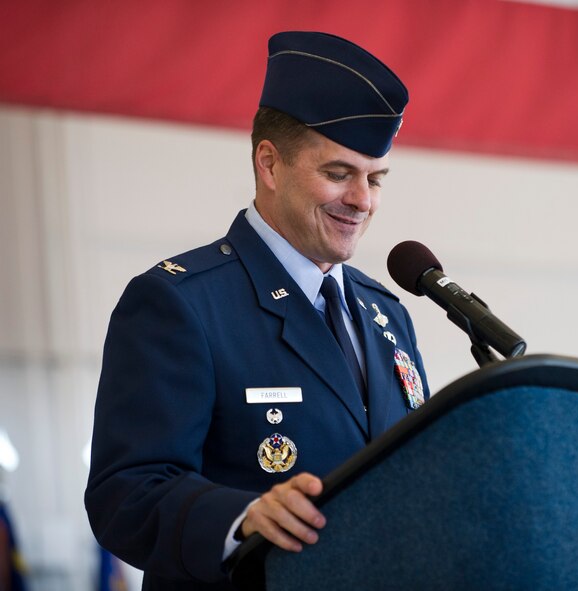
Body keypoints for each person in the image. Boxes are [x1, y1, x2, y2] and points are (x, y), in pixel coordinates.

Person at [85, 31, 428, 590]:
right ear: (269, 165)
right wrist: (243, 521)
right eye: (339, 174)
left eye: (376, 178)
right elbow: (125, 495)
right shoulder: (181, 303)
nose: (363, 200)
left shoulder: (386, 313)